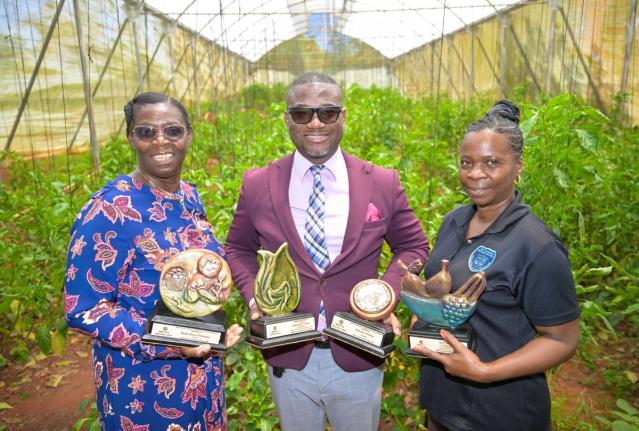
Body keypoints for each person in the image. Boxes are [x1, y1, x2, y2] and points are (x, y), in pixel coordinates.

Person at [225, 72, 429, 431]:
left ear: (343, 117)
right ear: (287, 119)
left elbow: (413, 246)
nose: (315, 122)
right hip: (288, 355)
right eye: (302, 114)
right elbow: (238, 248)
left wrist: (384, 295)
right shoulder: (258, 183)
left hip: (357, 354)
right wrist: (255, 297)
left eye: (327, 112)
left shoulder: (381, 181)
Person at [64, 92, 242, 430]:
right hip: (142, 388)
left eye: (172, 130)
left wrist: (201, 332)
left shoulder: (188, 194)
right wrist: (173, 343)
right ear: (132, 137)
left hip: (202, 379)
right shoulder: (109, 209)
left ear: (188, 134)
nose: (161, 140)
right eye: (147, 132)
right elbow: (83, 308)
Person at [412, 100, 580, 431]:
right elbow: (442, 289)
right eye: (467, 162)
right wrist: (425, 313)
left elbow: (562, 340)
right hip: (443, 400)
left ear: (518, 166)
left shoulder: (536, 245)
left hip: (498, 412)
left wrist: (485, 371)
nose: (476, 173)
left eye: (492, 163)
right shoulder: (454, 222)